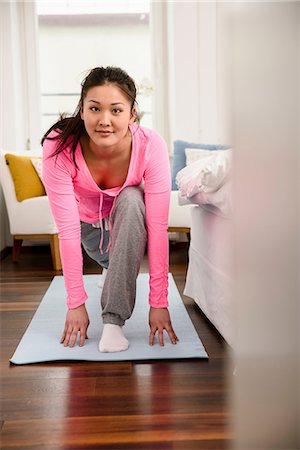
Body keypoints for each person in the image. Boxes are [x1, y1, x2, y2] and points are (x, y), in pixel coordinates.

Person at [42, 66, 179, 353]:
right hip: (87, 230)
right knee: (105, 258)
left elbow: (157, 228)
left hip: (127, 231)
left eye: (116, 110)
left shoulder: (150, 145)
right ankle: (110, 269)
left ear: (132, 114)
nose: (104, 121)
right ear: (82, 110)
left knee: (131, 197)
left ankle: (113, 323)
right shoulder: (59, 145)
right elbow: (66, 232)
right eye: (95, 108)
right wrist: (75, 304)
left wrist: (159, 303)